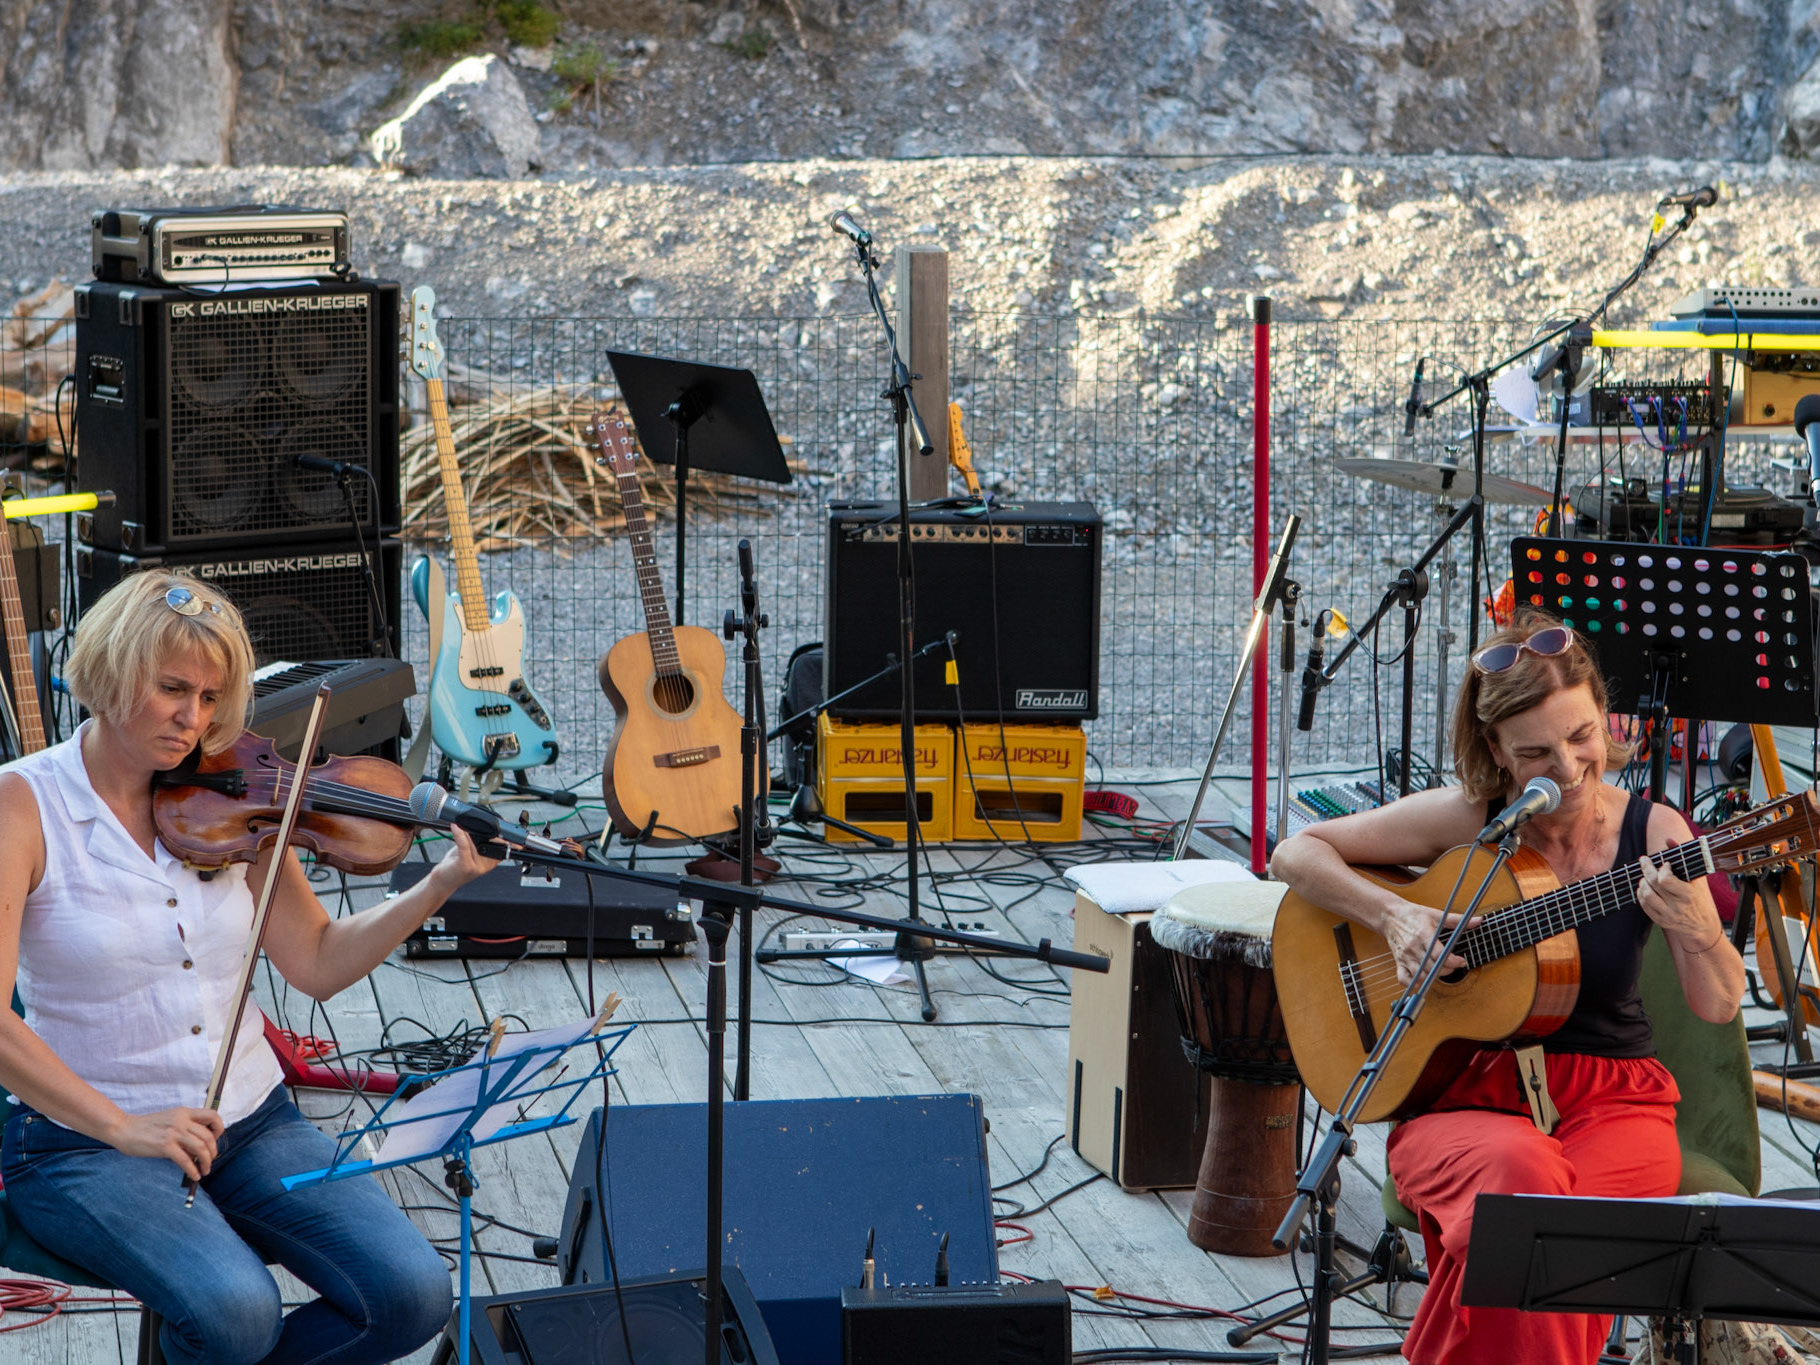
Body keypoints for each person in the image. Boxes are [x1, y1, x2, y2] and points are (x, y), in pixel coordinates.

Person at [0, 571, 500, 1365]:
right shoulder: (23, 805)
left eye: (210, 696)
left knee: (412, 1293)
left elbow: (317, 959)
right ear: (112, 672)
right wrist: (124, 1126)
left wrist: (436, 884)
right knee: (237, 1314)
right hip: (86, 1141)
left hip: (249, 1118)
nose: (194, 719)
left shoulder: (235, 799)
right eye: (172, 689)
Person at [1270, 612, 1743, 1365]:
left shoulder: (1658, 835)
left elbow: (1718, 1003)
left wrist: (1700, 928)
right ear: (1496, 751)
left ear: (1605, 714)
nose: (1570, 766)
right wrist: (1394, 915)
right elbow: (1294, 855)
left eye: (1582, 735)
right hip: (1463, 1095)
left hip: (1613, 1101)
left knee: (1537, 1235)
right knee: (1523, 1189)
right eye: (1535, 753)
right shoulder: (1474, 821)